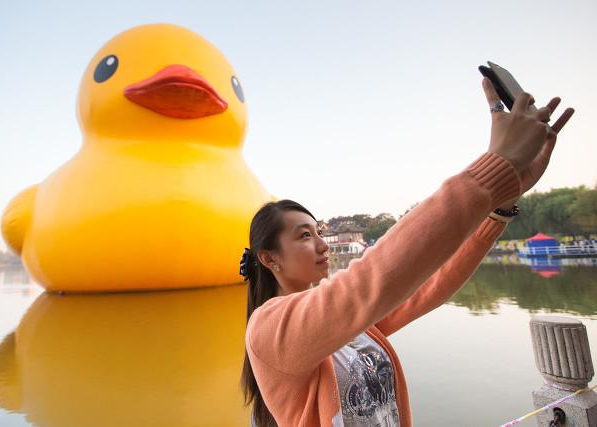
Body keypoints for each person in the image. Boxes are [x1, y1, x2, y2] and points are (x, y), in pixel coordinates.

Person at [239, 79, 574, 427]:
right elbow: (372, 277)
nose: (322, 244)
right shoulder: (270, 328)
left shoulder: (352, 323)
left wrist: (499, 207)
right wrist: (495, 166)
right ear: (269, 258)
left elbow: (429, 282)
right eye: (305, 236)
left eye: (319, 232)